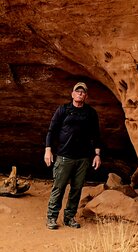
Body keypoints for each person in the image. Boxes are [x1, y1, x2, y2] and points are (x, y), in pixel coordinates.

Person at [44, 82, 102, 230]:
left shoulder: (90, 113)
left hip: (83, 158)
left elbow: (96, 135)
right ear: (72, 94)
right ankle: (52, 217)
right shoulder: (63, 110)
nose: (80, 94)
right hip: (64, 157)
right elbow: (52, 130)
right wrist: (48, 150)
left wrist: (97, 154)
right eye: (78, 91)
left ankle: (69, 217)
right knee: (59, 187)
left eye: (83, 92)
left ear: (86, 96)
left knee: (76, 189)